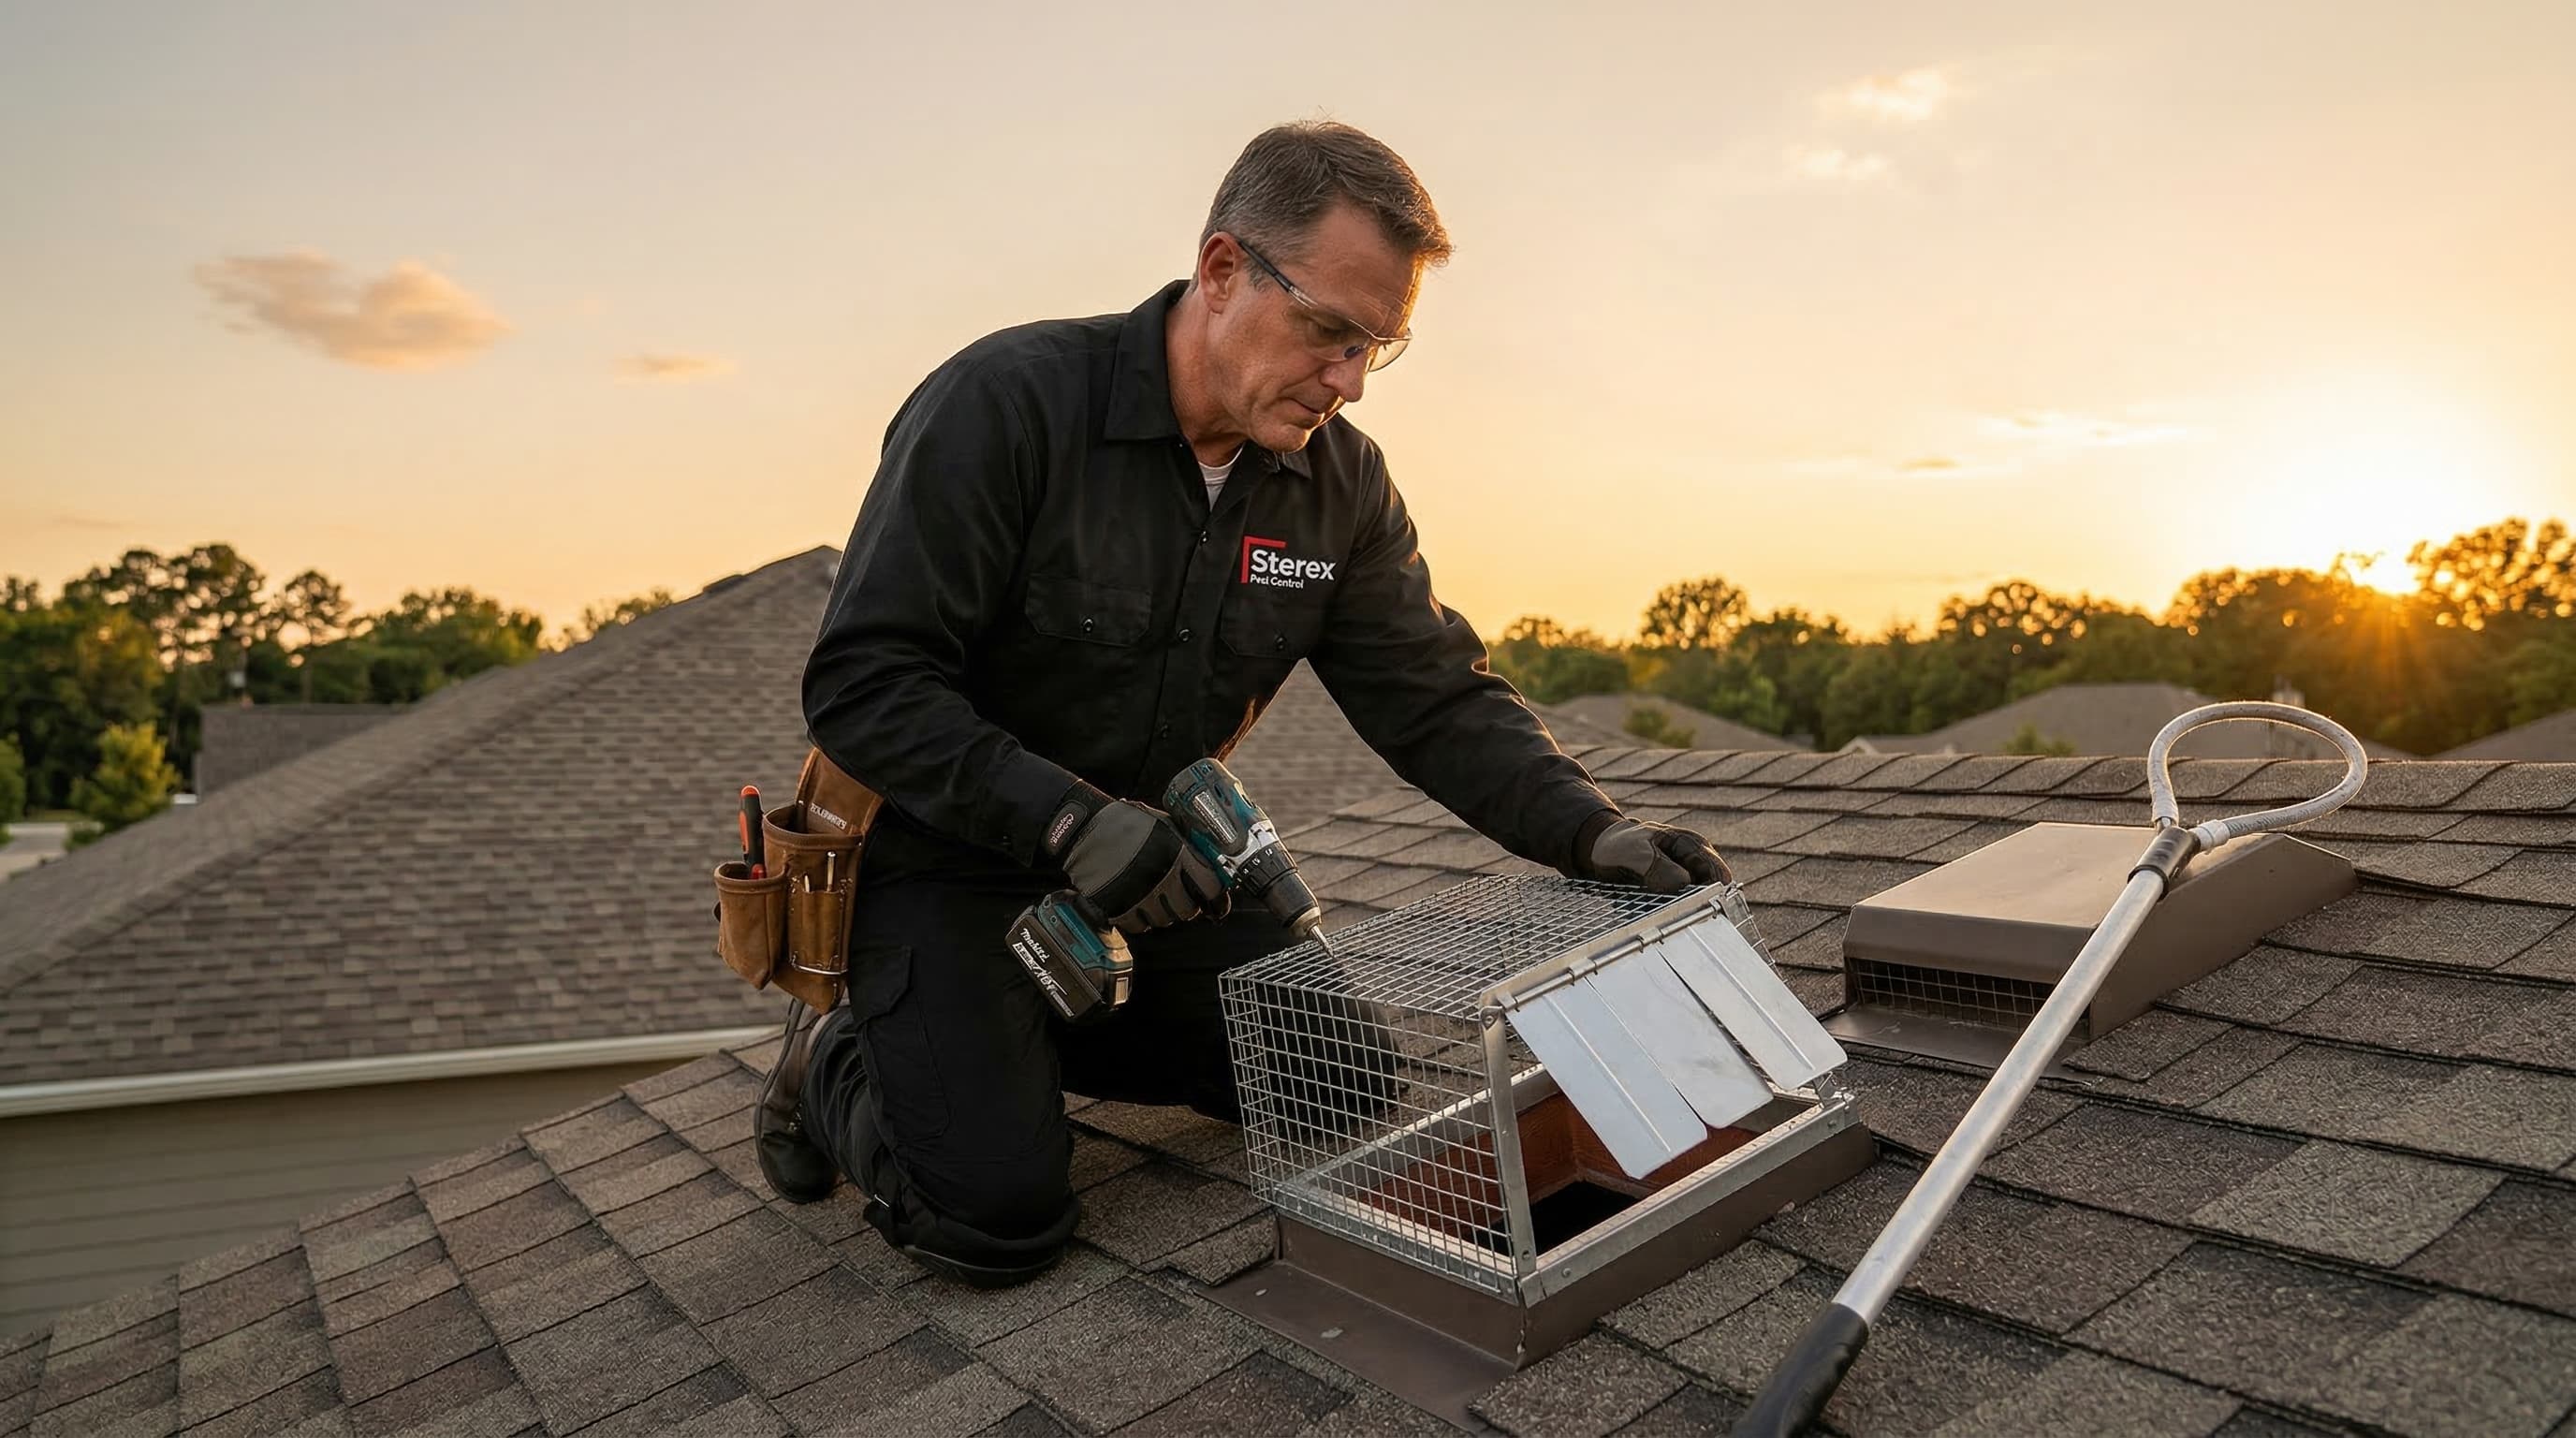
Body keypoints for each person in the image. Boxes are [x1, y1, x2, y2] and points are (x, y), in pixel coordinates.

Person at [766, 120, 1733, 1287]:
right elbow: (863, 683)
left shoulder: (1340, 484)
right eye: (1328, 332)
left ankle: (1014, 1031)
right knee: (995, 1219)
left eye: (1379, 346)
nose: (1349, 379)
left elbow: (1433, 695)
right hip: (950, 860)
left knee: (1334, 1087)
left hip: (1155, 872)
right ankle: (841, 1056)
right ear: (1222, 271)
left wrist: (1593, 829)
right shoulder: (1006, 405)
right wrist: (1066, 821)